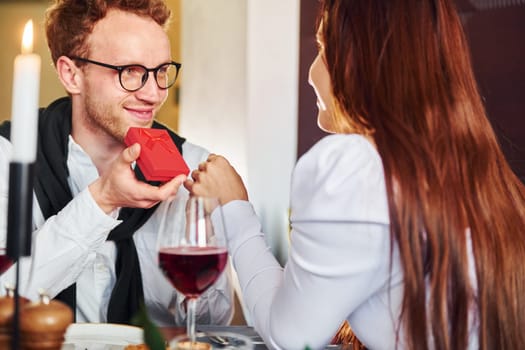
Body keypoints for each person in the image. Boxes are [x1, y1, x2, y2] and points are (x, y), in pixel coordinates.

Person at [185, 0, 525, 349]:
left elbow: (287, 337)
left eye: (322, 49)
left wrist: (235, 210)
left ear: (357, 59)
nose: (311, 72)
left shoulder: (354, 167)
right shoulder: (486, 177)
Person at [0, 0, 233, 326]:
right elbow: (3, 300)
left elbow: (211, 325)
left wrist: (216, 228)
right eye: (130, 72)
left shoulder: (192, 166)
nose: (153, 94)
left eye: (161, 71)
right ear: (71, 74)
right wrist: (102, 200)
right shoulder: (8, 158)